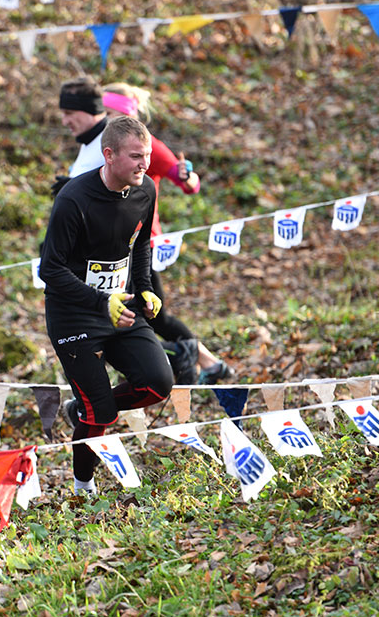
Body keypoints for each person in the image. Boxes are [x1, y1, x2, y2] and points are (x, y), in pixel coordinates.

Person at [40, 116, 174, 495]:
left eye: (146, 156)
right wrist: (102, 301)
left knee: (157, 384)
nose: (144, 165)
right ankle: (83, 487)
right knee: (101, 413)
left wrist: (145, 288)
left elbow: (142, 244)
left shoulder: (146, 189)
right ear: (109, 155)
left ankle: (80, 409)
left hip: (121, 305)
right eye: (135, 157)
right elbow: (51, 270)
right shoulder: (73, 200)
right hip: (73, 314)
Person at [101, 84, 235, 395]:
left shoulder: (147, 146)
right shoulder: (105, 146)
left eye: (109, 113)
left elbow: (187, 182)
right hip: (117, 243)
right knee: (152, 314)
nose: (103, 119)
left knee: (148, 312)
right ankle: (208, 362)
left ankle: (188, 364)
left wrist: (189, 176)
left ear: (125, 114)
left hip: (143, 242)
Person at [51, 76, 108, 196]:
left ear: (91, 109)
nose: (64, 122)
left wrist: (76, 188)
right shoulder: (89, 138)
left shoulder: (112, 142)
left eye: (69, 113)